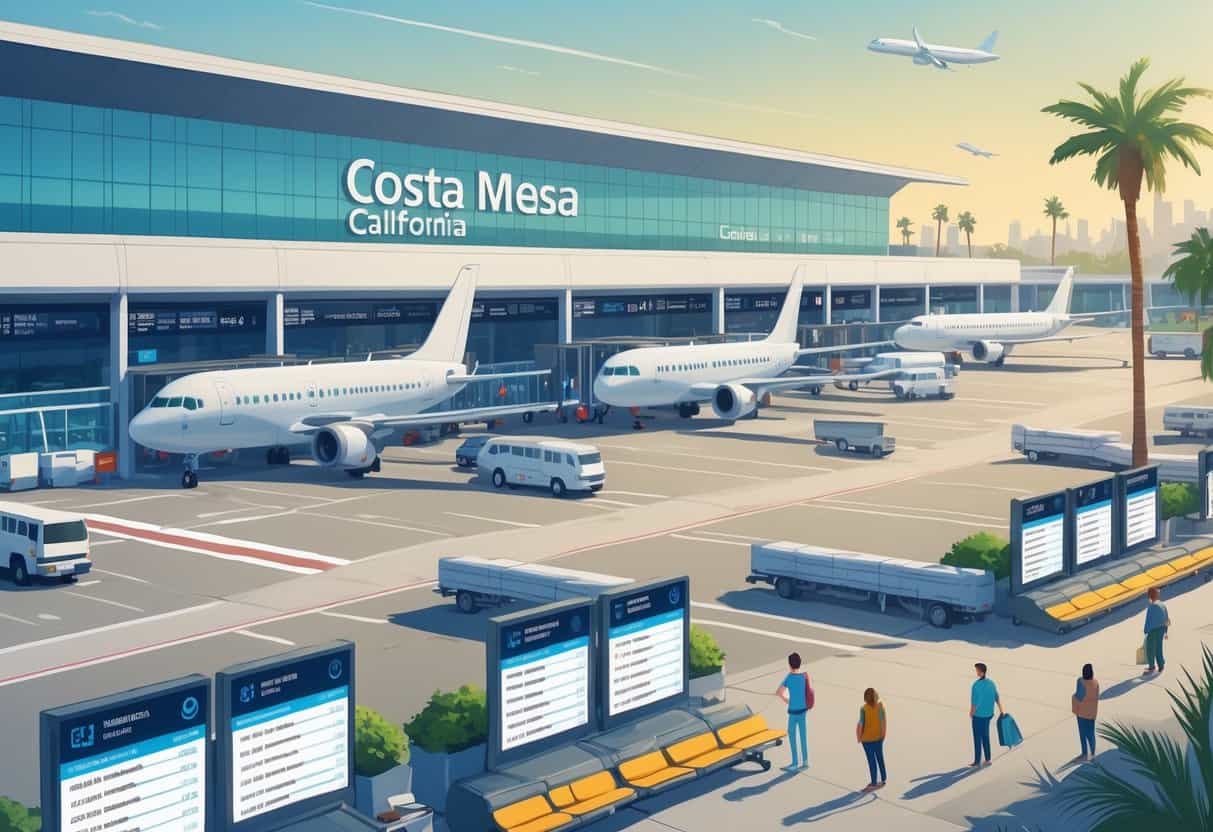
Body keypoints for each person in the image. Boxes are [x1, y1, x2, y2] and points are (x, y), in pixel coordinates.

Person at [776, 652, 810, 771]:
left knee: (792, 735)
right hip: (803, 710)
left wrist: (787, 700)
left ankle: (795, 762)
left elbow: (779, 692)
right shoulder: (804, 676)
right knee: (803, 735)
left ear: (790, 665)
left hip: (793, 711)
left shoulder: (789, 677)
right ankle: (805, 761)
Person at [969, 662, 1003, 767]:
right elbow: (996, 697)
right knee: (985, 736)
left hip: (978, 715)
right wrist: (1001, 710)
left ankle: (977, 761)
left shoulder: (976, 685)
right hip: (989, 714)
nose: (976, 672)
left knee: (977, 737)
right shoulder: (991, 683)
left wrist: (971, 713)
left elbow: (975, 702)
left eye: (977, 670)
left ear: (981, 671)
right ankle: (988, 759)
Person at [856, 687, 887, 791]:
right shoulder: (880, 706)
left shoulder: (863, 709)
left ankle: (873, 782)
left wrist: (859, 737)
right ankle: (883, 778)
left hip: (867, 740)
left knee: (871, 761)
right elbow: (883, 722)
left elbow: (861, 724)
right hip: (878, 737)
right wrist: (883, 734)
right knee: (880, 757)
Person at [1072, 663, 1099, 762]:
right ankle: (1092, 753)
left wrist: (1072, 698)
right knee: (1091, 733)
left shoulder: (1080, 682)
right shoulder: (1095, 682)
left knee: (1083, 734)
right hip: (1092, 712)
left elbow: (1078, 697)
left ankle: (1084, 753)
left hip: (1082, 713)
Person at [1143, 587, 1170, 675]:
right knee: (1159, 647)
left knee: (1150, 649)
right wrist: (1166, 630)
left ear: (1150, 596)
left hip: (1153, 630)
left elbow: (1149, 620)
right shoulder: (1162, 604)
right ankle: (1161, 665)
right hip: (1162, 629)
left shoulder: (1151, 606)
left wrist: (1146, 630)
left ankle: (1151, 667)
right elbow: (1166, 617)